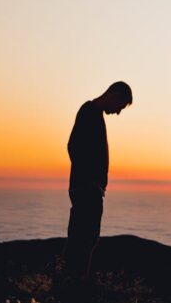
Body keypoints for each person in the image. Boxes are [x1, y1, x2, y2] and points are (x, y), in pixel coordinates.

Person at [63, 81, 132, 280]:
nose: (118, 112)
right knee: (83, 239)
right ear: (113, 95)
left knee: (87, 238)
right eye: (120, 106)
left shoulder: (94, 114)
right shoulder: (89, 112)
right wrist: (90, 180)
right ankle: (73, 283)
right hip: (86, 189)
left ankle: (74, 280)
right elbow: (73, 146)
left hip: (89, 188)